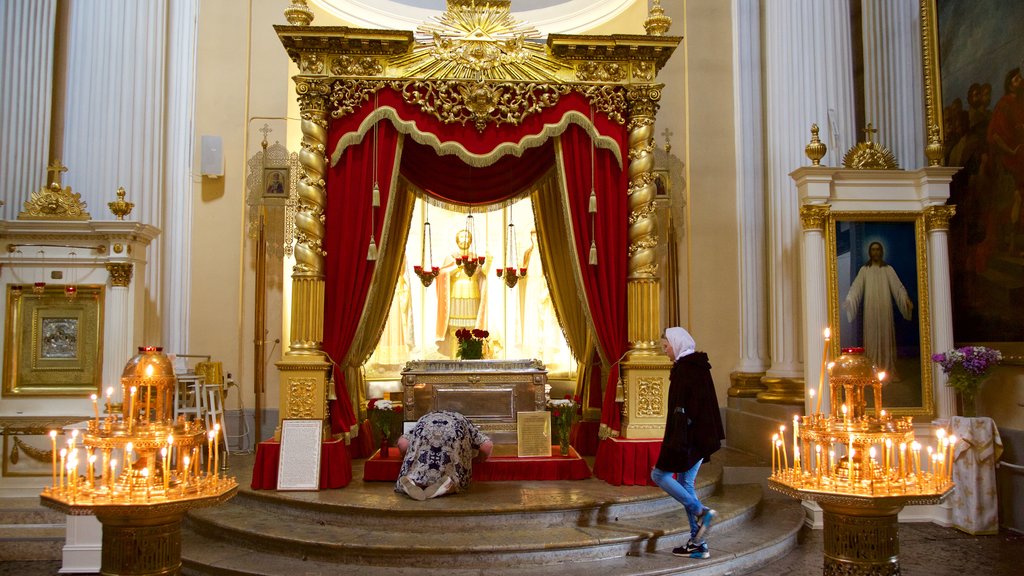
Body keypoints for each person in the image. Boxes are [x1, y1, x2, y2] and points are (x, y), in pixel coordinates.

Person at [651, 327, 726, 560]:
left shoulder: (685, 369)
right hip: (701, 437)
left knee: (659, 475)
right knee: (686, 483)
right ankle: (698, 543)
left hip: (689, 438)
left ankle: (701, 511)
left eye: (666, 346)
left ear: (676, 343)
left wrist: (675, 443)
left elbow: (682, 412)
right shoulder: (698, 366)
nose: (665, 351)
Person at [843, 241, 913, 378]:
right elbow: (856, 287)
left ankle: (887, 369)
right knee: (872, 337)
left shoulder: (888, 269)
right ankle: (872, 369)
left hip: (885, 310)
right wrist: (849, 300)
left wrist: (905, 300)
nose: (875, 252)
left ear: (881, 252)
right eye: (873, 250)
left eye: (878, 250)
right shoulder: (864, 270)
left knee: (885, 336)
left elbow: (898, 287)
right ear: (870, 252)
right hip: (870, 310)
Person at [395, 410, 493, 500]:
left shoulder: (425, 419)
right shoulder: (463, 420)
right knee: (459, 481)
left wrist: (408, 457)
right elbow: (487, 446)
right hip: (450, 455)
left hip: (423, 461)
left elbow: (402, 443)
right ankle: (449, 485)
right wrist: (480, 458)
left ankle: (411, 480)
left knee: (416, 473)